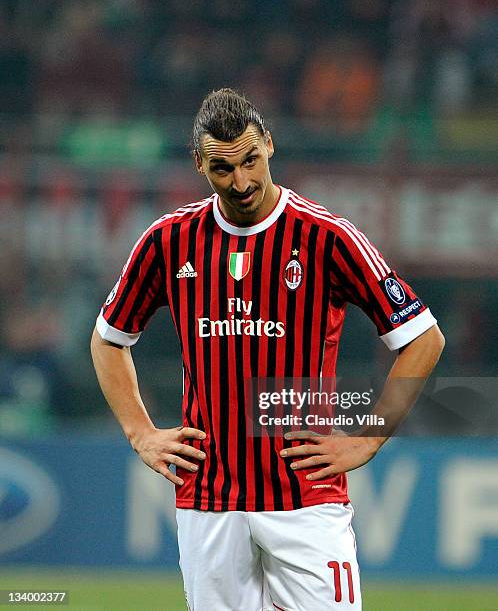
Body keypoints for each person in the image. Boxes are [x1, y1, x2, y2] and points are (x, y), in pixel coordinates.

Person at [91, 88, 445, 611]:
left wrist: (368, 438)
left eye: (250, 160)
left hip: (304, 497)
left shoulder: (326, 237)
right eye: (222, 168)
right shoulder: (168, 240)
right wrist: (139, 431)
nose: (242, 182)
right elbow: (108, 339)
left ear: (270, 146)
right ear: (198, 164)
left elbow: (422, 337)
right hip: (209, 500)